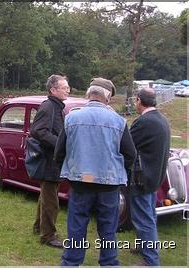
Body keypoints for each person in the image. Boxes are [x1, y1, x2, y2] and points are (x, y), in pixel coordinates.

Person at [55, 77, 136, 266]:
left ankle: (71, 263)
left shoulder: (72, 118)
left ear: (89, 94)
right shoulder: (118, 122)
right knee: (108, 229)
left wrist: (70, 171)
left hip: (80, 182)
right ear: (108, 98)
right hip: (109, 185)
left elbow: (59, 152)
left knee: (76, 227)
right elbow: (131, 154)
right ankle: (109, 263)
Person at [129, 87, 170, 266]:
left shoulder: (144, 122)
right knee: (148, 215)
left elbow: (127, 146)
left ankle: (151, 261)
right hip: (154, 176)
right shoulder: (161, 119)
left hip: (142, 178)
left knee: (144, 219)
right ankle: (141, 245)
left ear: (139, 100)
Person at [30, 74, 70, 248]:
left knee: (46, 197)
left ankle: (39, 227)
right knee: (51, 202)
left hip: (53, 161)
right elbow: (38, 131)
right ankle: (48, 236)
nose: (68, 90)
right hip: (48, 161)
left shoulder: (57, 107)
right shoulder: (48, 107)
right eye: (64, 87)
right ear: (53, 90)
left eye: (68, 87)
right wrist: (59, 144)